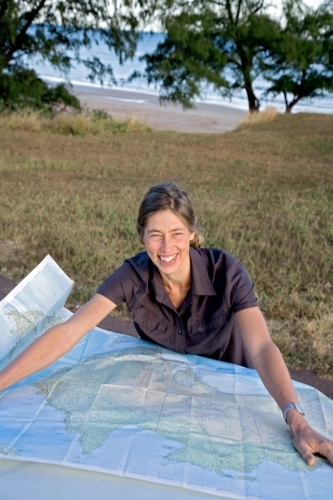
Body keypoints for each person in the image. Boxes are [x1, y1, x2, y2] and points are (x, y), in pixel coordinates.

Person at [0, 182, 332, 466]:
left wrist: (296, 419)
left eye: (176, 233)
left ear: (192, 231)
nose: (166, 247)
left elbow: (261, 347)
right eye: (155, 235)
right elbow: (71, 331)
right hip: (165, 397)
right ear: (142, 235)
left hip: (227, 399)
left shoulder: (228, 272)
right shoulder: (132, 273)